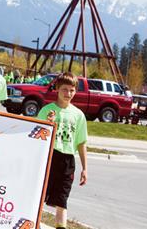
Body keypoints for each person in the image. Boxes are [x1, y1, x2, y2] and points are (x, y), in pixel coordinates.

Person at [37, 72, 88, 229]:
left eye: (72, 90)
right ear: (57, 89)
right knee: (40, 196)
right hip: (49, 157)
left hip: (67, 161)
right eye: (65, 90)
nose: (68, 94)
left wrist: (85, 168)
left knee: (62, 200)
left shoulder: (78, 115)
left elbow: (81, 142)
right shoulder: (47, 110)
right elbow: (36, 135)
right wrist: (48, 124)